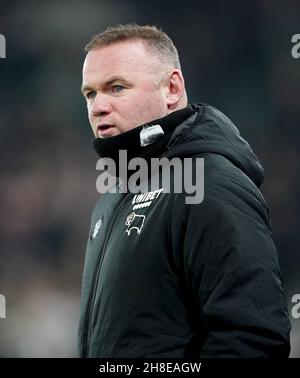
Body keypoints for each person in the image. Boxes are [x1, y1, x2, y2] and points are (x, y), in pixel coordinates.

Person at [78, 24, 291, 358]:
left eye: (116, 88)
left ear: (172, 88)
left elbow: (253, 337)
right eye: (90, 94)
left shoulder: (208, 183)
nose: (97, 107)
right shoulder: (111, 200)